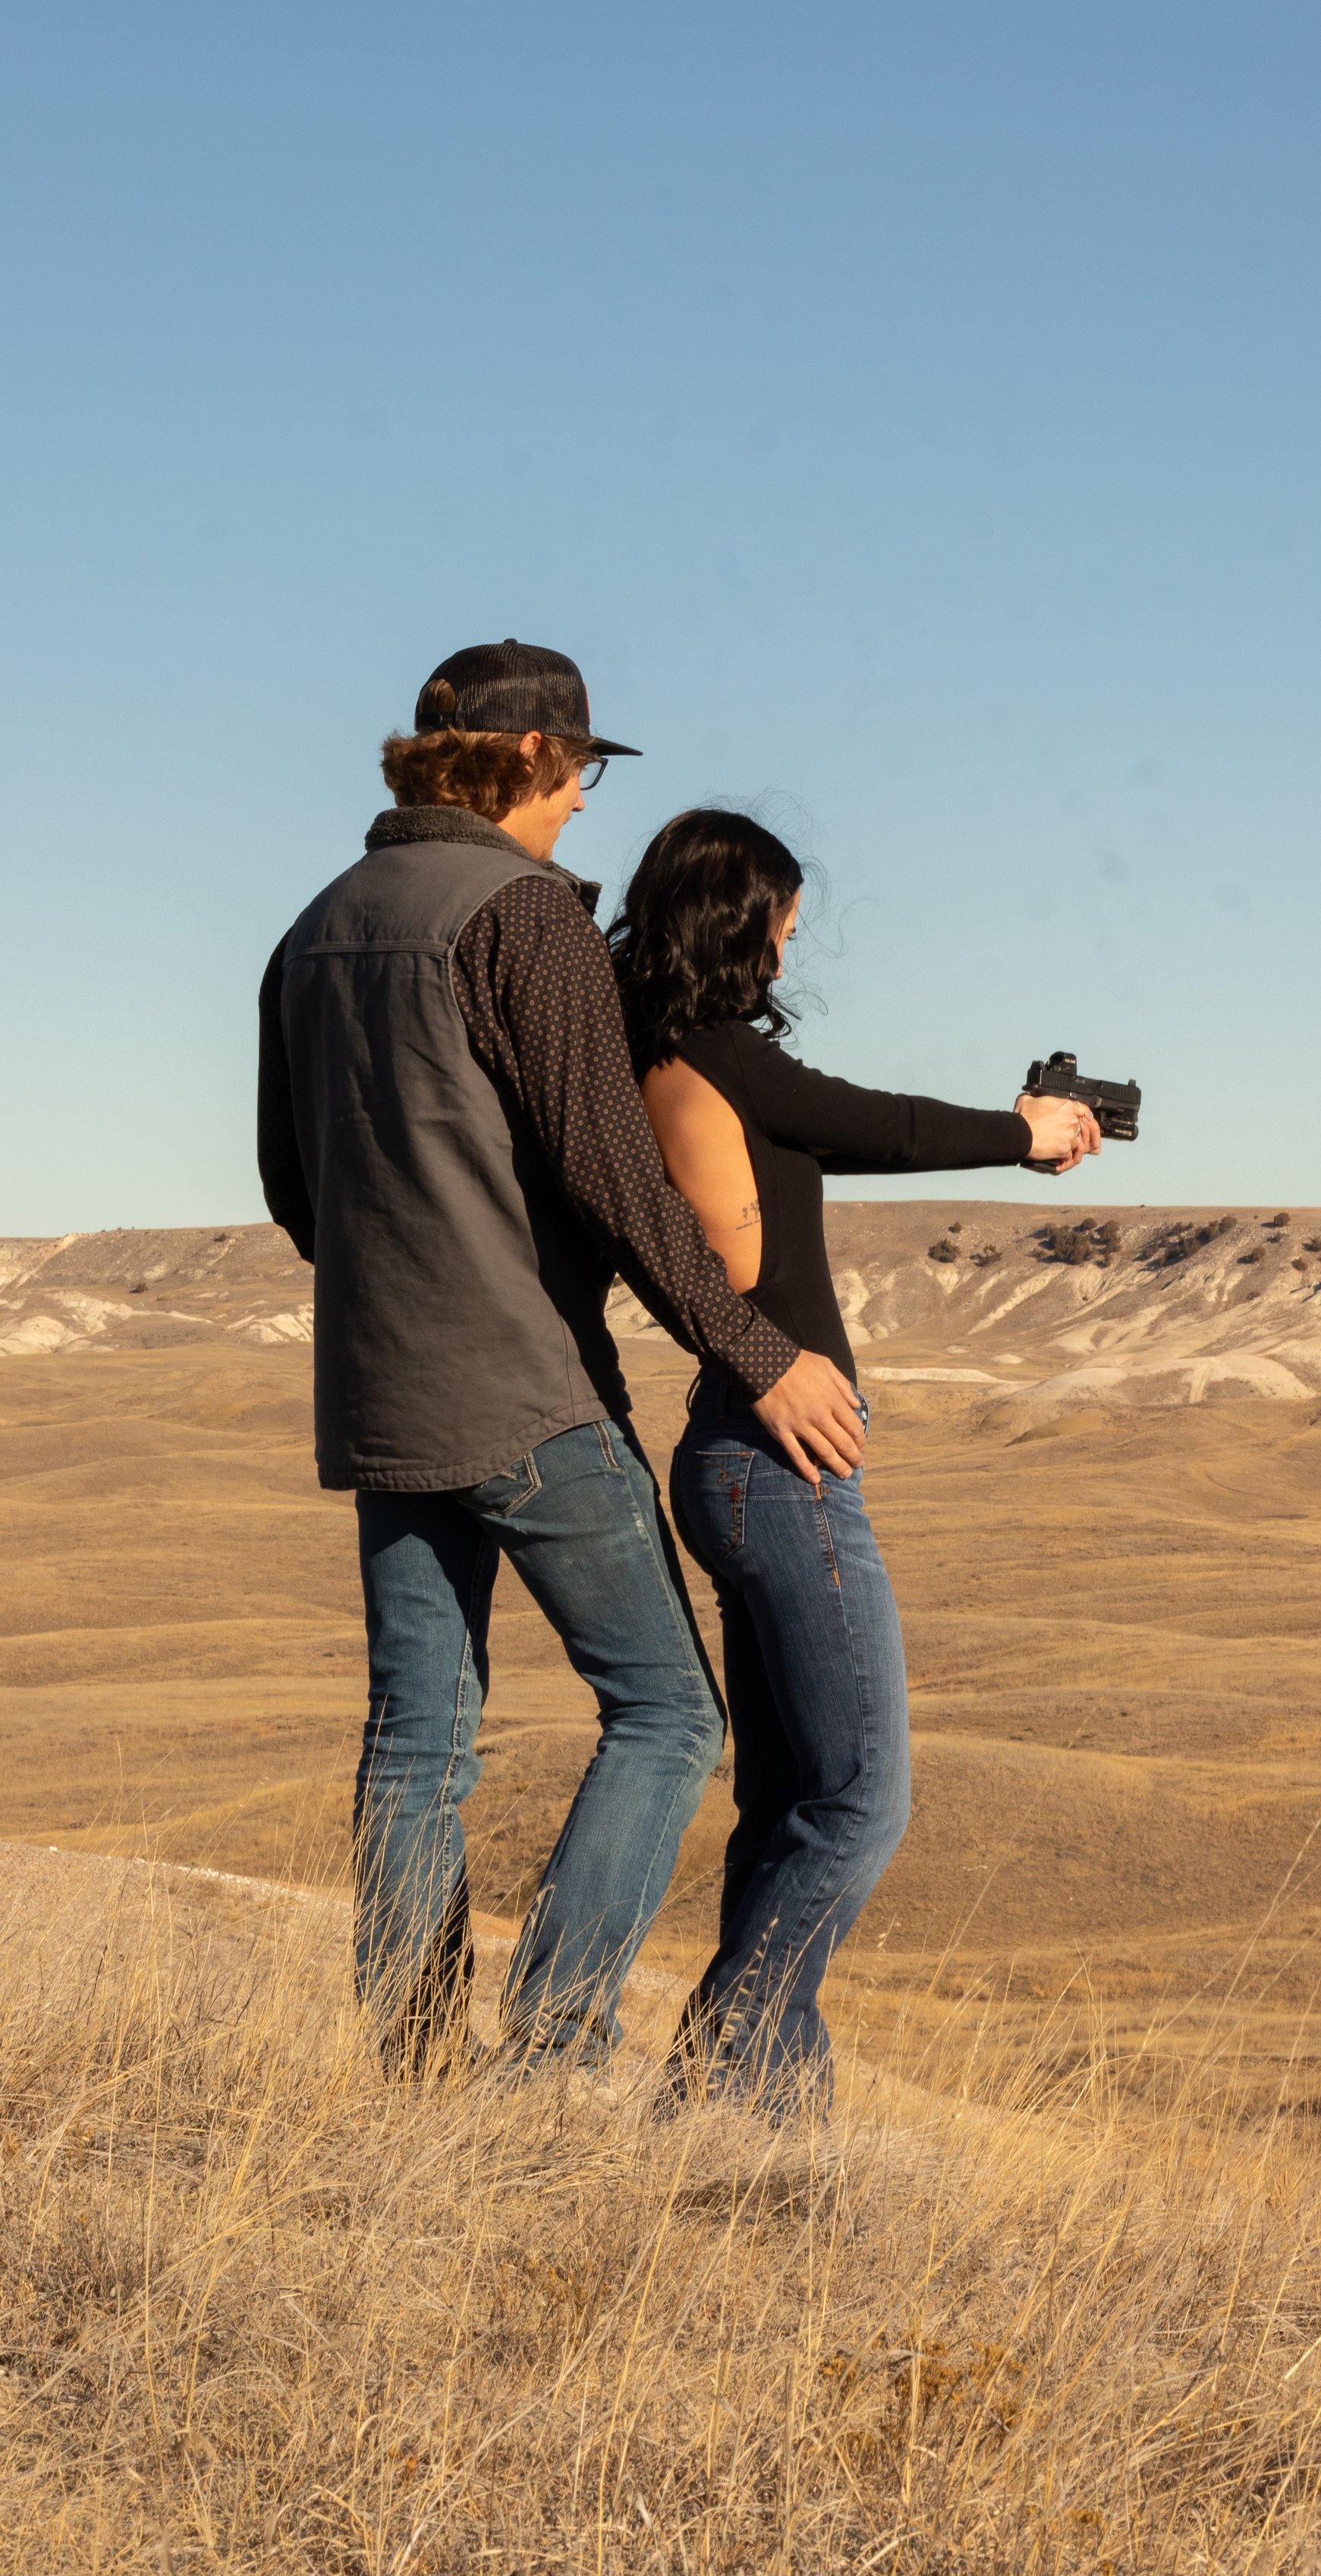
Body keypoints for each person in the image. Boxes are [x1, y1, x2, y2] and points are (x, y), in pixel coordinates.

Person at [256, 642, 866, 2080]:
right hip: (529, 1389)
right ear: (532, 756)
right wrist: (759, 1355)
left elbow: (295, 1189)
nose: (587, 799)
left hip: (380, 1395)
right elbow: (617, 1179)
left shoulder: (314, 927)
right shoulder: (522, 916)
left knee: (417, 1740)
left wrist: (404, 1277)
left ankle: (414, 2071)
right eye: (583, 768)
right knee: (670, 1715)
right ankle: (549, 2054)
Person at [611, 808, 1099, 2115]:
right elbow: (878, 1121)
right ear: (736, 921)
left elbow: (838, 1133)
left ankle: (764, 2123)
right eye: (779, 921)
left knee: (788, 1804)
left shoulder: (664, 1050)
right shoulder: (714, 1050)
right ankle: (722, 2075)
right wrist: (1022, 1132)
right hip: (780, 1464)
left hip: (736, 1450)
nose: (787, 947)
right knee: (861, 1801)